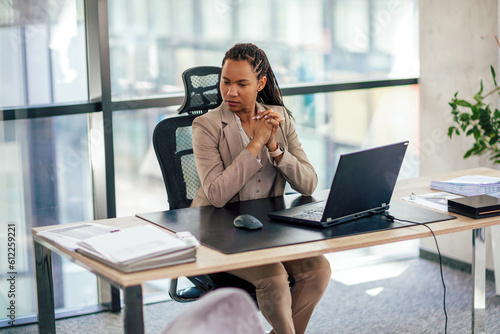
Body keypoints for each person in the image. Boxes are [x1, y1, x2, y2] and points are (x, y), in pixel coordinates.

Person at [191, 43, 331, 334]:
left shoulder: (279, 118)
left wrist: (275, 148)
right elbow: (216, 195)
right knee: (275, 278)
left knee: (318, 270)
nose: (230, 92)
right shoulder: (205, 126)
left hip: (268, 231)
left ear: (261, 83)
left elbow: (308, 183)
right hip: (218, 232)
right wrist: (255, 144)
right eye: (225, 82)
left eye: (242, 84)